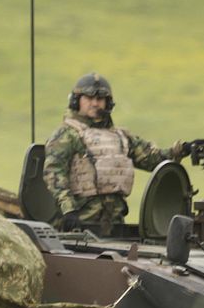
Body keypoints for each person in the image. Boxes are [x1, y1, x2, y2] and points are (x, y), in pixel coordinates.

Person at [42, 72, 195, 233]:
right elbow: (54, 173)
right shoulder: (66, 135)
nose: (95, 103)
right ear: (76, 101)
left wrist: (182, 149)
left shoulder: (121, 137)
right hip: (78, 225)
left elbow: (152, 159)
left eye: (100, 99)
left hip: (115, 225)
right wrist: (68, 209)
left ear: (108, 103)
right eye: (89, 98)